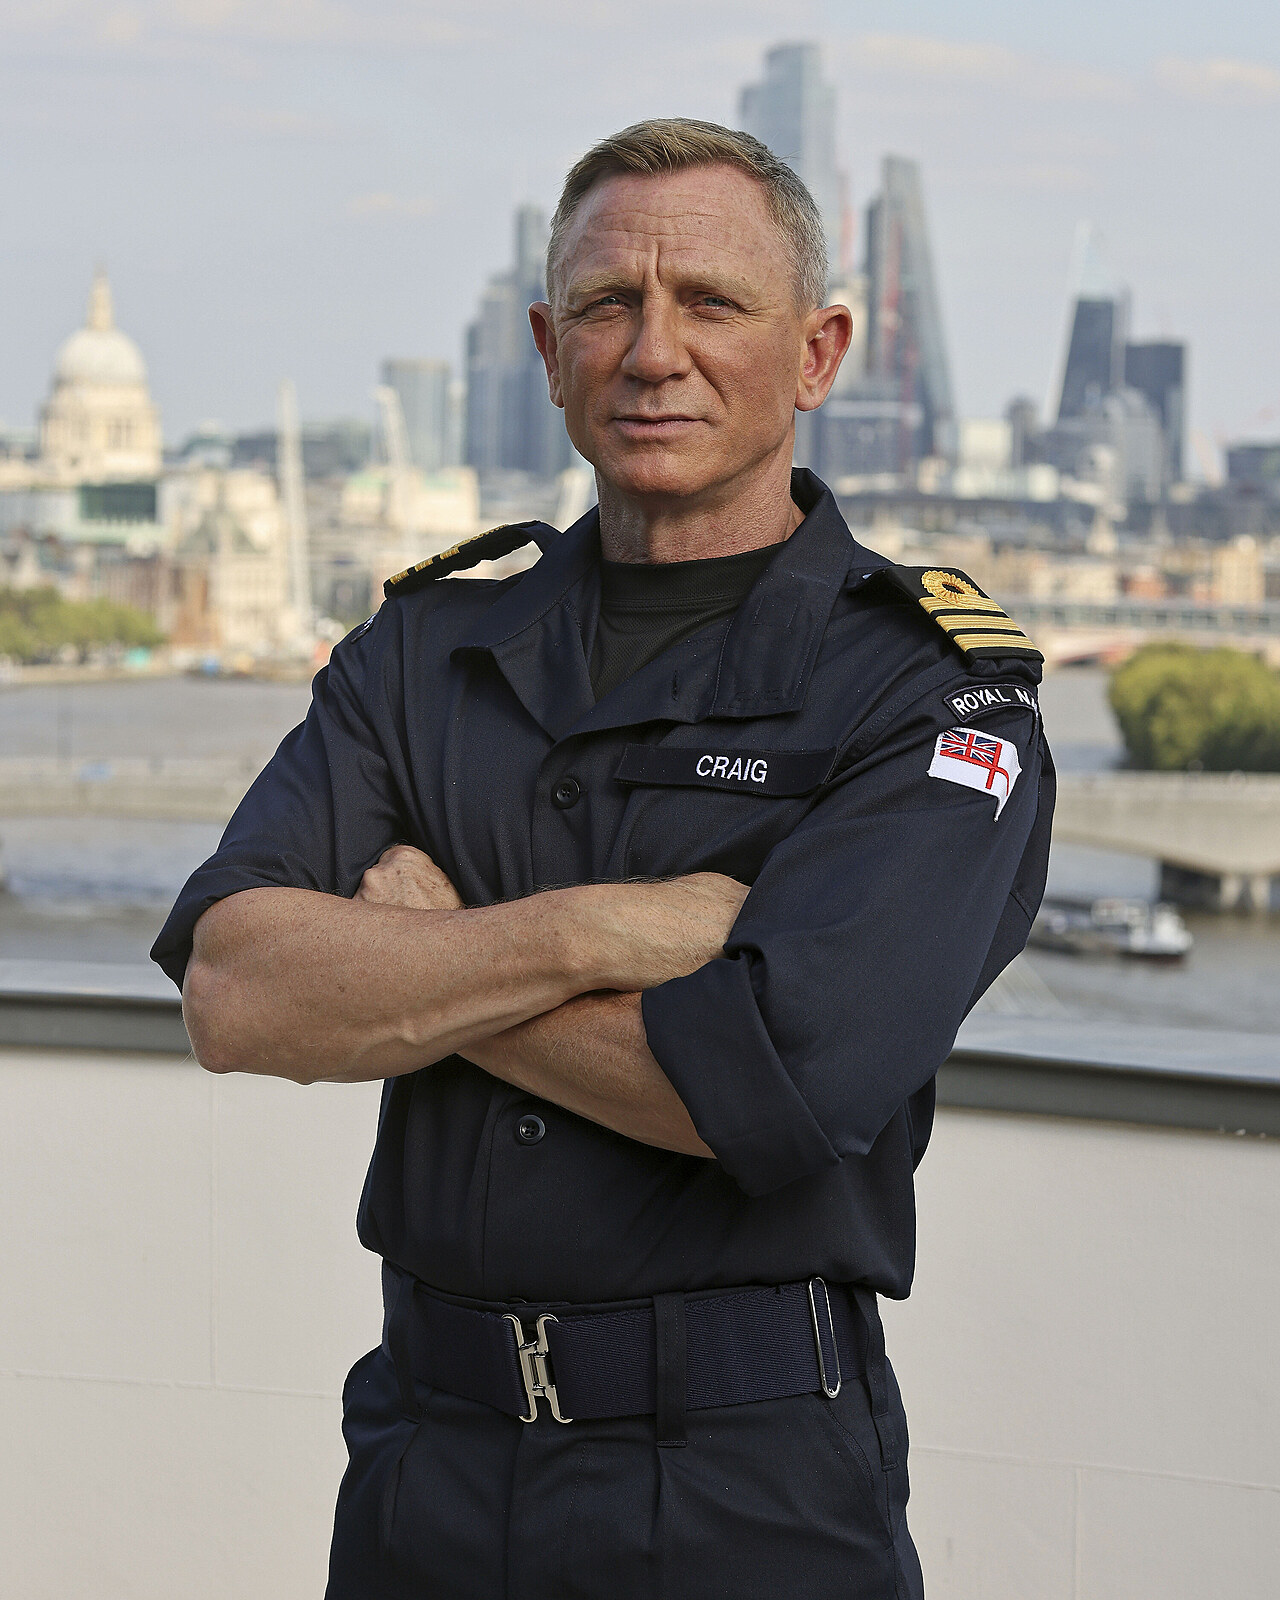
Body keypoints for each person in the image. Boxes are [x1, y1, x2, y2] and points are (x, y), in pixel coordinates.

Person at [153, 118, 1054, 1598]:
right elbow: (236, 993)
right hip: (423, 1472)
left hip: (746, 1494)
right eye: (606, 305)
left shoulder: (925, 697)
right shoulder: (426, 651)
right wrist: (587, 934)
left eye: (711, 303)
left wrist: (427, 960)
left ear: (819, 352)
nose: (652, 353)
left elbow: (767, 1088)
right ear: (546, 348)